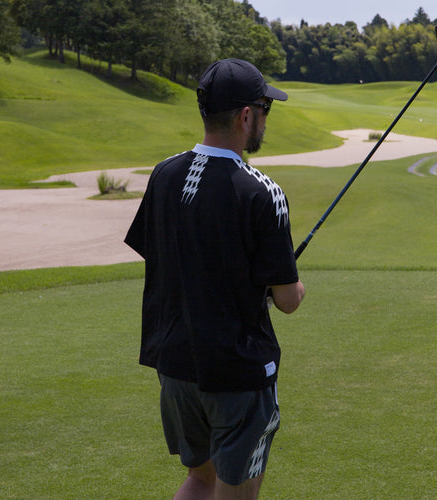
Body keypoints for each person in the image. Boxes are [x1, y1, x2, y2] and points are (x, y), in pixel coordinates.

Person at [124, 58, 305, 500]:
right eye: (265, 109)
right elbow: (287, 300)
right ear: (247, 115)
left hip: (175, 367)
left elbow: (172, 258)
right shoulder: (263, 192)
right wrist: (289, 284)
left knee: (200, 479)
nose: (265, 119)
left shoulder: (164, 173)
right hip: (238, 373)